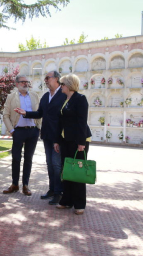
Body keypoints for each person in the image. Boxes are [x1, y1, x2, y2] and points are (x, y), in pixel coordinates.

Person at [14, 71, 66, 205]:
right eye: (45, 78)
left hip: (59, 136)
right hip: (47, 135)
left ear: (56, 79)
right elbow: (40, 113)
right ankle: (52, 189)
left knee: (57, 164)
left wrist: (60, 137)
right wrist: (26, 113)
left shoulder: (64, 94)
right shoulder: (45, 96)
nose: (46, 80)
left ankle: (59, 193)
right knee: (50, 164)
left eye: (48, 78)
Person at [53, 74, 92, 215]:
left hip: (79, 141)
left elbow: (82, 122)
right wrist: (57, 140)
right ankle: (66, 201)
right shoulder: (65, 99)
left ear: (68, 85)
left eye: (62, 84)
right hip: (66, 140)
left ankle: (79, 204)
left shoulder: (80, 99)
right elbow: (61, 123)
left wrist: (81, 143)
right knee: (67, 171)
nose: (60, 86)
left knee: (78, 172)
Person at [2, 75, 41, 196]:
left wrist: (38, 128)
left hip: (32, 131)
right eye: (23, 82)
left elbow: (40, 113)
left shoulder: (34, 96)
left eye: (27, 82)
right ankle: (14, 184)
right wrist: (12, 130)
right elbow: (5, 115)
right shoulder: (11, 97)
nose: (25, 84)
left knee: (28, 159)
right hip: (18, 131)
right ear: (17, 83)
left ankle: (25, 185)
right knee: (16, 158)